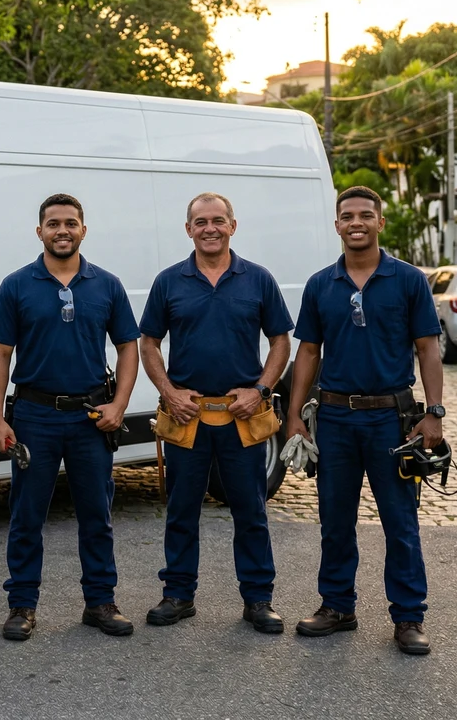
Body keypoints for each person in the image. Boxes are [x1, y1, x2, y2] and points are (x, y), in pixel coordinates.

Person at [284, 185, 445, 656]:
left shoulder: (409, 280)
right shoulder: (320, 285)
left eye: (365, 215)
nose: (356, 222)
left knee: (400, 522)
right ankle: (337, 606)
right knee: (335, 521)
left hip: (392, 423)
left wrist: (434, 413)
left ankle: (409, 616)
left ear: (380, 222)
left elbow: (427, 348)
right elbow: (308, 352)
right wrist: (294, 415)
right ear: (336, 225)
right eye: (347, 216)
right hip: (334, 418)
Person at [0, 193, 141, 640]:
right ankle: (22, 606)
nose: (62, 230)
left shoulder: (107, 285)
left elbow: (129, 346)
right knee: (27, 516)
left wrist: (120, 404)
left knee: (97, 513)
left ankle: (100, 602)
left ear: (83, 231)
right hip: (34, 416)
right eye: (53, 223)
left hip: (92, 417)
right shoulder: (16, 285)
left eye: (71, 223)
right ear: (40, 232)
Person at [138, 192, 293, 633]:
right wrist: (168, 391)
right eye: (201, 221)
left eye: (218, 220)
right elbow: (148, 342)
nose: (210, 228)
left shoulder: (258, 279)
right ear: (188, 229)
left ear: (233, 226)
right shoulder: (169, 281)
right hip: (188, 416)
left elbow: (281, 340)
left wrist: (261, 388)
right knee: (181, 510)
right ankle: (178, 594)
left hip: (242, 415)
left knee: (251, 510)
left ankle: (259, 599)